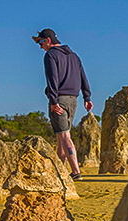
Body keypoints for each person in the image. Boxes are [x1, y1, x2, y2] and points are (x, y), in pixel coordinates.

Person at [32, 28, 93, 180]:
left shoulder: (50, 55)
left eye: (40, 42)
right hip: (73, 100)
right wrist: (87, 97)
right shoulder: (74, 56)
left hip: (59, 100)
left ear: (48, 40)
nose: (40, 47)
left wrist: (53, 102)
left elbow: (52, 79)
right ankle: (59, 170)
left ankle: (76, 172)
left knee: (65, 136)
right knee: (61, 137)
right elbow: (83, 76)